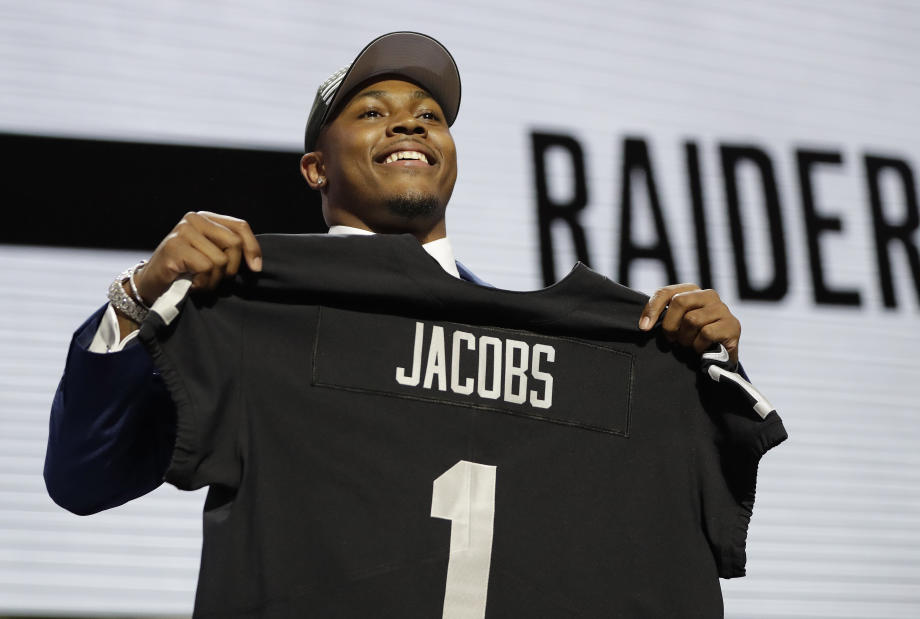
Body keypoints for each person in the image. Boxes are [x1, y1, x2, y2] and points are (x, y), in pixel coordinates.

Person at [44, 37, 764, 612]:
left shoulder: (595, 346)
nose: (411, 121)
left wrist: (700, 366)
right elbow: (83, 475)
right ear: (314, 169)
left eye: (431, 113)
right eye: (371, 111)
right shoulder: (251, 310)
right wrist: (140, 297)